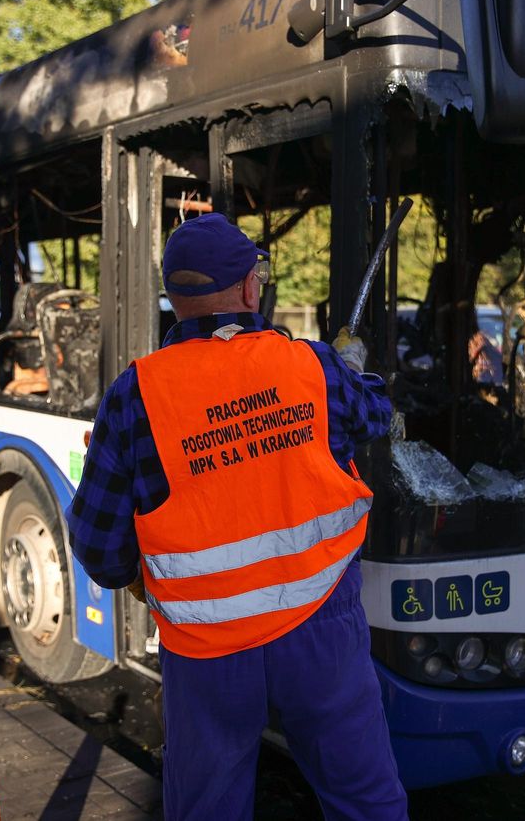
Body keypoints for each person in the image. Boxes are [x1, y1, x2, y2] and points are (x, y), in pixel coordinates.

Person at [66, 213, 408, 821]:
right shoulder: (313, 368)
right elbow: (376, 416)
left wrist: (142, 578)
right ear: (252, 289)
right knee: (365, 803)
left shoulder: (134, 395)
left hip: (206, 644)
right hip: (321, 627)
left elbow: (95, 544)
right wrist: (351, 368)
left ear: (175, 300)